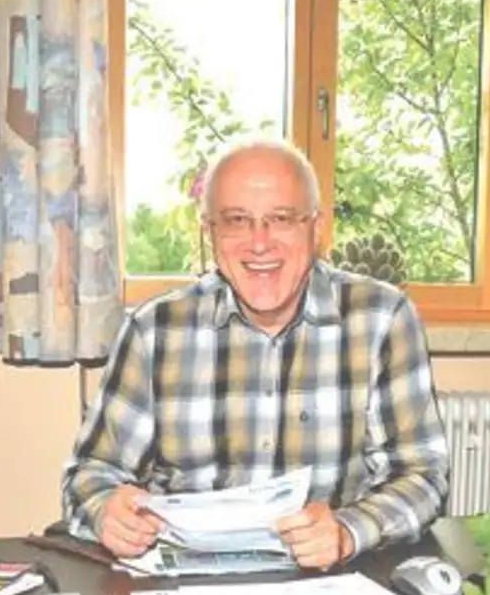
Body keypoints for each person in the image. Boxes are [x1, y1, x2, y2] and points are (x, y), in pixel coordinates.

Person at [61, 138, 450, 570]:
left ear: (316, 228)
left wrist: (348, 530)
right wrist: (106, 511)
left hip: (331, 583)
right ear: (210, 233)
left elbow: (422, 476)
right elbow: (91, 473)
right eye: (236, 221)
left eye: (281, 219)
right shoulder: (155, 330)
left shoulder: (381, 319)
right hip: (181, 589)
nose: (259, 243)